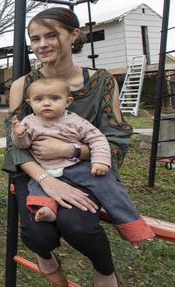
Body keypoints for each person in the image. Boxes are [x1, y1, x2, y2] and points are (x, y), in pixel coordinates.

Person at [3, 7, 135, 287]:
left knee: (79, 227)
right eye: (35, 39)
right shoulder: (23, 86)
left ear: (73, 35)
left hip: (84, 169)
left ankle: (105, 272)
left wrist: (73, 152)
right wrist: (47, 181)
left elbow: (116, 138)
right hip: (33, 170)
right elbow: (13, 146)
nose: (42, 45)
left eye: (51, 35)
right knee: (38, 235)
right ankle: (48, 259)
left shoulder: (102, 82)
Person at [11, 77, 154, 246]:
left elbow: (98, 139)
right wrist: (19, 134)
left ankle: (131, 225)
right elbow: (23, 145)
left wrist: (100, 161)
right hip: (45, 169)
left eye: (54, 98)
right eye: (39, 99)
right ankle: (47, 210)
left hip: (76, 166)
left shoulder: (75, 121)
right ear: (30, 102)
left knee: (109, 185)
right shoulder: (29, 122)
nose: (46, 104)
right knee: (35, 188)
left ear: (68, 101)